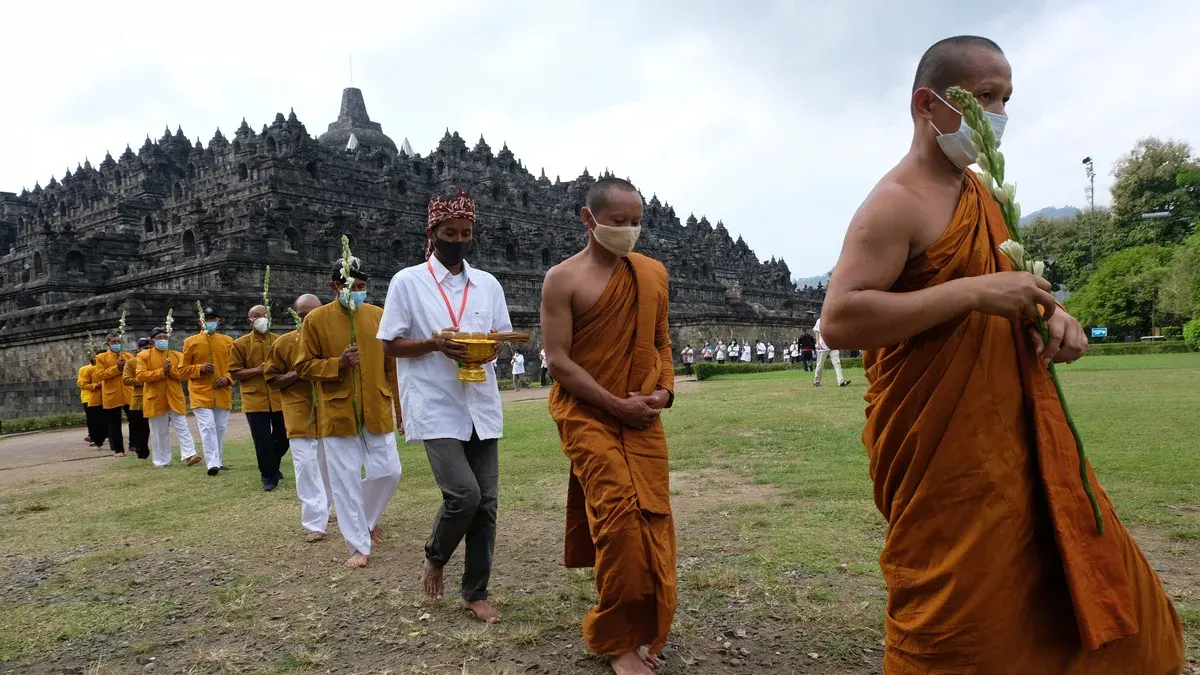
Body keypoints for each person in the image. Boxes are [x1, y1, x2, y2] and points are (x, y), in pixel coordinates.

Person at [819, 35, 1183, 673]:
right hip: (950, 457)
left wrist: (1053, 316)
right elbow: (842, 319)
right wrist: (969, 292)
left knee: (1099, 583)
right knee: (964, 615)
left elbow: (1004, 286)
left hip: (1021, 435)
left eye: (1006, 98)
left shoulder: (980, 194)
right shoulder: (894, 203)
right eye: (985, 97)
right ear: (927, 105)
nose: (999, 113)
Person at [541, 177, 675, 675]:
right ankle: (618, 640)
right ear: (589, 219)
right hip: (587, 413)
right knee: (619, 523)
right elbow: (558, 361)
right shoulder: (563, 279)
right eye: (618, 222)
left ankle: (645, 627)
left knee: (651, 521)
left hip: (642, 414)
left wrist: (664, 392)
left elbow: (662, 344)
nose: (629, 231)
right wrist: (615, 406)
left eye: (636, 221)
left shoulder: (652, 274)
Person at [379, 188, 512, 623]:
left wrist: (489, 349)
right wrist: (435, 344)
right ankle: (435, 557)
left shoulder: (488, 284)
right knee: (464, 494)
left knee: (486, 504)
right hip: (435, 403)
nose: (458, 238)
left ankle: (475, 592)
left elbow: (500, 336)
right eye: (450, 231)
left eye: (466, 232)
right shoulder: (408, 281)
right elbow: (391, 346)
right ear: (433, 232)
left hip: (480, 402)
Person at [296, 258, 402, 568]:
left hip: (376, 405)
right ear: (334, 287)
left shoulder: (379, 317)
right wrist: (336, 364)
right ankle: (358, 545)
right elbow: (303, 366)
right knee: (345, 481)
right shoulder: (315, 320)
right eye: (349, 287)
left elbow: (391, 367)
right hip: (338, 410)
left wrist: (400, 407)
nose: (356, 292)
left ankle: (366, 520)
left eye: (361, 287)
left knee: (389, 471)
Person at [266, 294, 335, 543]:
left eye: (314, 314)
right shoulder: (284, 343)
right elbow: (272, 380)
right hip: (298, 412)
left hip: (328, 412)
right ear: (296, 315)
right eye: (304, 315)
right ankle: (314, 522)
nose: (309, 319)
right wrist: (296, 375)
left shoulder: (331, 341)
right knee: (306, 466)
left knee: (328, 466)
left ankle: (326, 509)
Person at [231, 304, 289, 491]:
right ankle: (269, 477)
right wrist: (258, 370)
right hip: (255, 399)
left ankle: (272, 465)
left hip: (278, 398)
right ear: (250, 321)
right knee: (262, 441)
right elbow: (235, 372)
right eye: (258, 316)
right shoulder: (240, 344)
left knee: (283, 437)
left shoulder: (280, 341)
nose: (262, 319)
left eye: (265, 315)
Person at [180, 307, 235, 476]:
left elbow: (235, 366)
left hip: (222, 392)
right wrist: (200, 368)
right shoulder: (191, 342)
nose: (210, 322)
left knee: (220, 427)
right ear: (200, 322)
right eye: (207, 319)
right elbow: (182, 370)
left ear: (218, 321)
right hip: (200, 392)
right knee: (208, 426)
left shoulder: (227, 341)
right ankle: (212, 463)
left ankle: (218, 460)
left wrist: (228, 378)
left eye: (213, 319)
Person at [137, 328, 200, 468]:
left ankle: (189, 455)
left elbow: (183, 374)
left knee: (182, 426)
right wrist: (161, 372)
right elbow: (141, 376)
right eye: (159, 337)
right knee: (159, 431)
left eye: (165, 337)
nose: (162, 340)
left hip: (174, 396)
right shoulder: (143, 356)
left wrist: (170, 370)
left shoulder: (177, 355)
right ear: (152, 340)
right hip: (155, 397)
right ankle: (162, 461)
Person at [92, 333, 128, 456]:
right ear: (108, 343)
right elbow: (100, 375)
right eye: (113, 342)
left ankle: (136, 445)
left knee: (136, 420)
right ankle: (118, 449)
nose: (116, 344)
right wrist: (117, 368)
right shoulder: (101, 357)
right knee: (114, 424)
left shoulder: (128, 355)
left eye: (118, 341)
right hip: (112, 393)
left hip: (128, 392)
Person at [122, 337, 153, 460]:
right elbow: (126, 379)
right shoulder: (131, 362)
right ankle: (141, 450)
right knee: (139, 426)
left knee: (153, 427)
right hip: (138, 399)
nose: (148, 351)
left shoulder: (154, 360)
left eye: (150, 348)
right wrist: (143, 380)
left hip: (154, 397)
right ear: (139, 349)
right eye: (145, 348)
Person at [811, 317, 850, 387]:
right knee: (820, 365)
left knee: (837, 363)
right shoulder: (820, 321)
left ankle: (841, 381)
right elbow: (817, 332)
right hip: (823, 346)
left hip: (833, 346)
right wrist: (818, 343)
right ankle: (816, 381)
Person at [77, 355, 103, 446]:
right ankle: (95, 437)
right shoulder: (85, 369)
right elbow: (81, 383)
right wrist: (95, 386)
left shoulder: (103, 369)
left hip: (97, 397)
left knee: (94, 419)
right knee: (94, 419)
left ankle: (97, 436)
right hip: (88, 397)